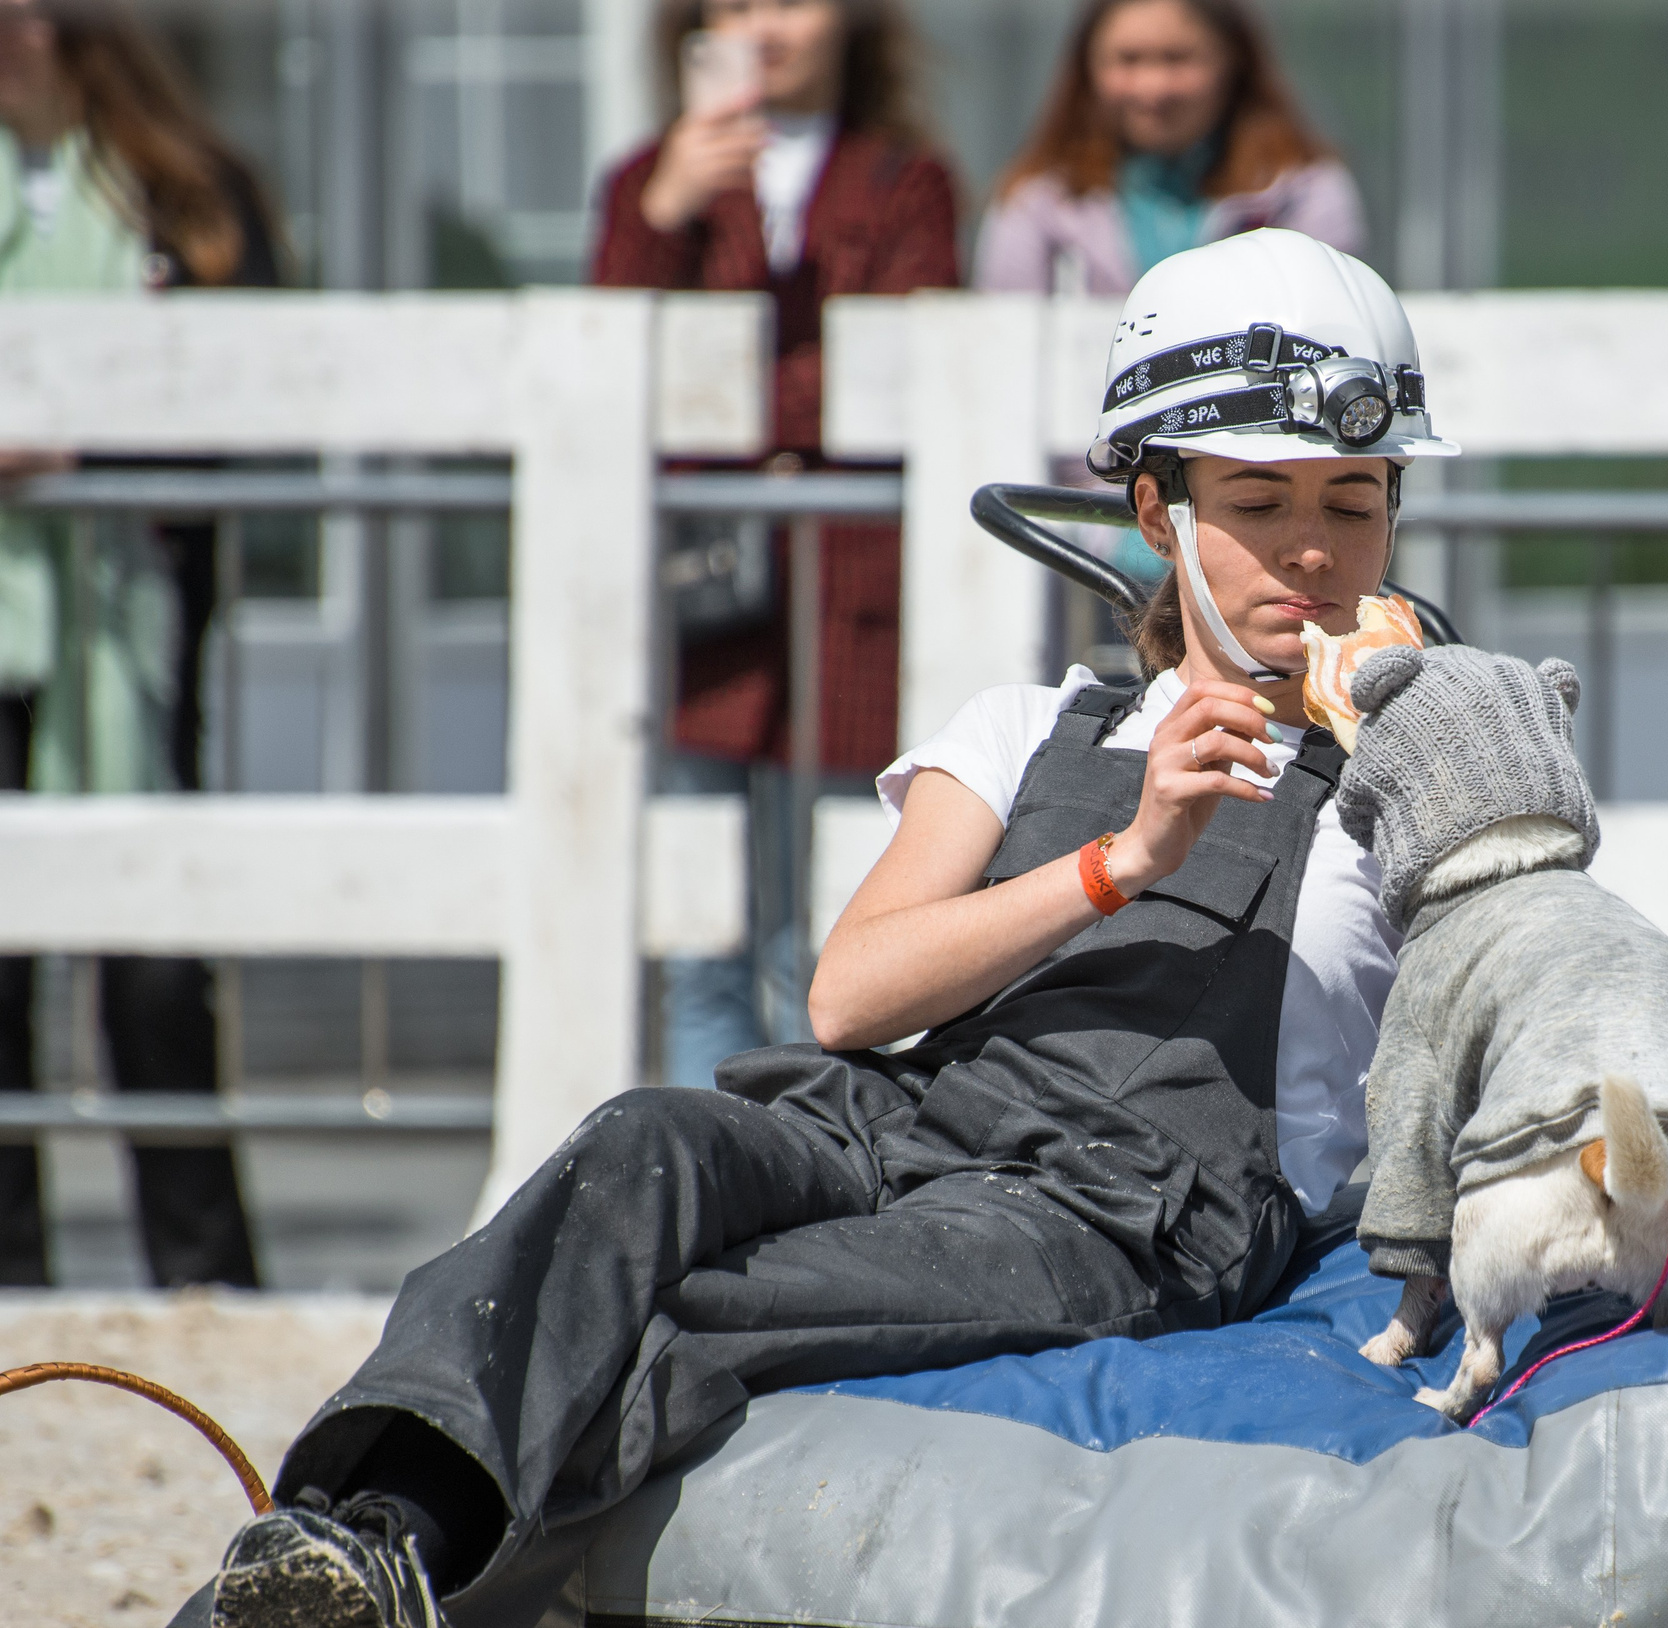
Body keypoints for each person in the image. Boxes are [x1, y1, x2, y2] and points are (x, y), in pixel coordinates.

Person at [193, 228, 1457, 1628]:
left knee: (715, 1305)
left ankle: (383, 1556)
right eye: (1258, 499)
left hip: (1119, 1210)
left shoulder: (1422, 773)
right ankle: (331, 1544)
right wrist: (1125, 860)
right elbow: (850, 1000)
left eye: (1355, 502)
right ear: (1157, 513)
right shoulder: (1036, 726)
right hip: (896, 1118)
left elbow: (1528, 994)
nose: (1312, 550)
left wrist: (1421, 732)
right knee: (638, 1144)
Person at [590, 0, 961, 1090]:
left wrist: (734, 414)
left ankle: (805, 1160)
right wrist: (666, 213)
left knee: (828, 922)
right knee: (700, 940)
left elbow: (905, 363)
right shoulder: (648, 179)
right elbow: (607, 366)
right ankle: (707, 1157)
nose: (766, 28)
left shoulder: (906, 180)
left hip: (851, 596)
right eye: (737, 4)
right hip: (705, 600)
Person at [0, 0, 286, 1290]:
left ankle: (201, 1273)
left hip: (135, 615)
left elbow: (260, 384)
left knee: (156, 960)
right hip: (20, 614)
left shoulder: (189, 190)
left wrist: (82, 448)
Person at [975, 0, 1364, 297]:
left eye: (1177, 59)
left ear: (1233, 61)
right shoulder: (1038, 202)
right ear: (1088, 68)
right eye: (1128, 60)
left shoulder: (1302, 193)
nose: (1152, 88)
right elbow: (1006, 343)